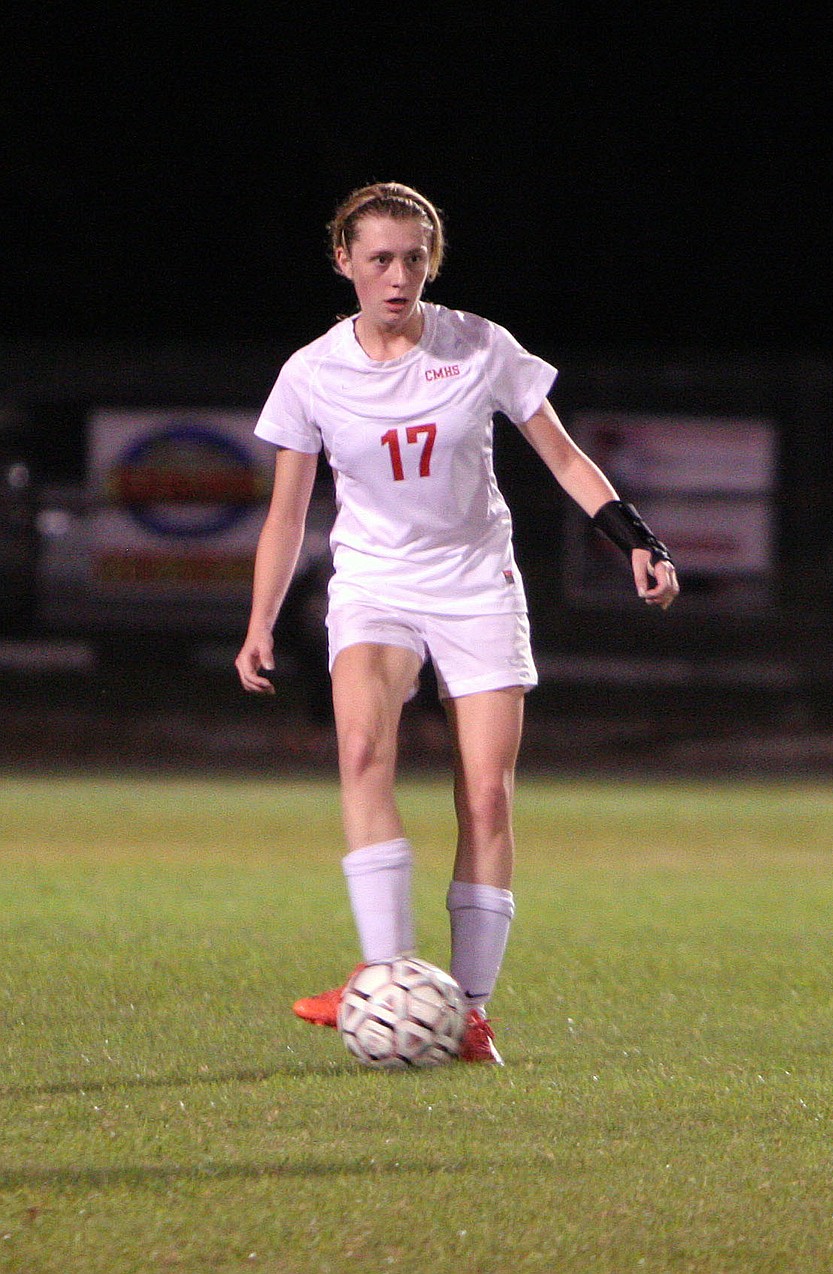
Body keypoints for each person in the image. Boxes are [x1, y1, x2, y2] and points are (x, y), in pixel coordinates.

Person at [235, 181, 679, 1064]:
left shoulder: (479, 345)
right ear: (344, 263)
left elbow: (560, 451)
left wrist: (634, 537)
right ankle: (385, 975)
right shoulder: (312, 372)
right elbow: (288, 513)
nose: (397, 276)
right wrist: (261, 622)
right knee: (361, 749)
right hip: (376, 585)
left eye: (412, 259)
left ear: (431, 262)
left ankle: (469, 1014)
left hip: (478, 583)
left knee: (485, 793)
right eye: (379, 260)